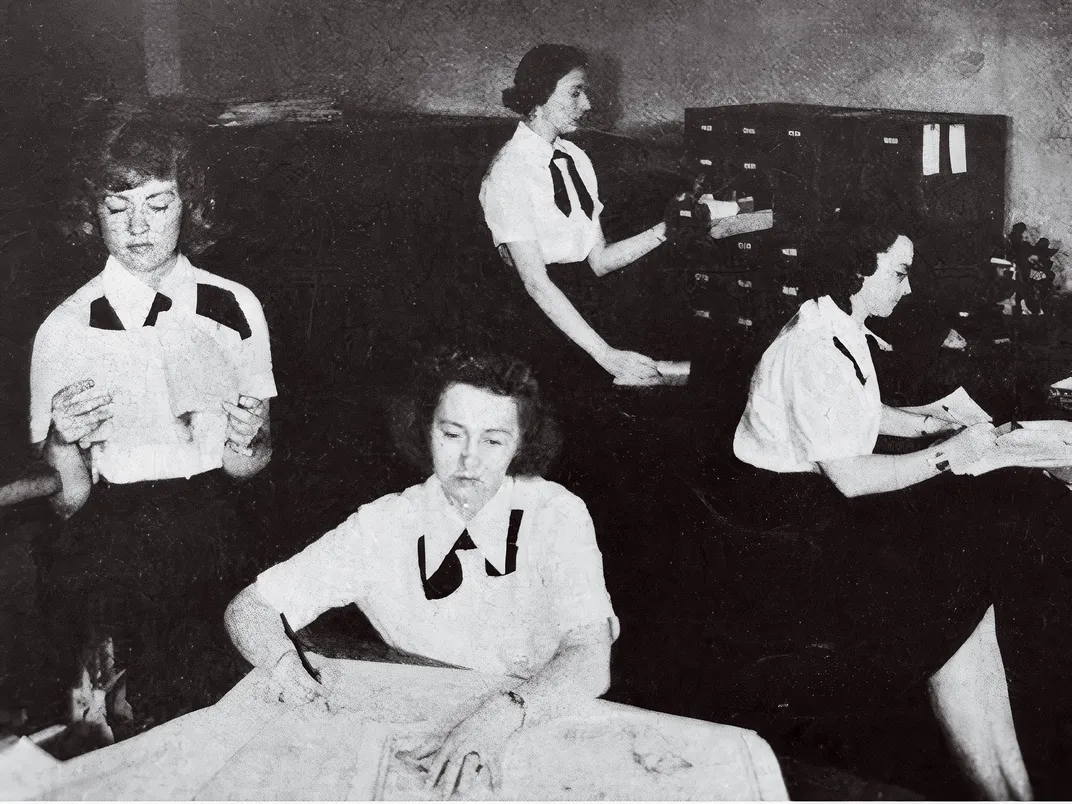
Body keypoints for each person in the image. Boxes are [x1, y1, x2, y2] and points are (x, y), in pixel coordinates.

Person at [727, 214, 1034, 800]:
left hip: (815, 507)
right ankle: (1005, 789)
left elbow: (859, 415)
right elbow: (849, 479)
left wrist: (931, 424)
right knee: (955, 594)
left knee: (967, 577)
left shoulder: (840, 322)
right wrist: (948, 453)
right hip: (789, 531)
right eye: (899, 273)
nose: (909, 287)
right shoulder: (815, 347)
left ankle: (1012, 786)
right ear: (857, 272)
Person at [225, 349, 617, 796]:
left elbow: (589, 659)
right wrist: (284, 668)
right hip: (419, 740)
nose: (470, 459)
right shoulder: (384, 523)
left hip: (537, 722)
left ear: (520, 444)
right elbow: (249, 609)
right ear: (425, 430)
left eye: (492, 440)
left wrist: (497, 717)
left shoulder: (557, 513)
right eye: (452, 434)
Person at [30, 107, 276, 739]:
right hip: (118, 536)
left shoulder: (234, 305)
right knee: (139, 723)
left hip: (217, 526)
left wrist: (247, 439)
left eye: (158, 203)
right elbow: (68, 501)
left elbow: (248, 467)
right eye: (118, 207)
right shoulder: (65, 327)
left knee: (232, 711)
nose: (138, 226)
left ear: (189, 205)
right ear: (94, 214)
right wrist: (62, 439)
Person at [478, 44, 720, 393]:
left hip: (589, 309)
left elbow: (600, 261)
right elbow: (535, 283)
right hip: (538, 323)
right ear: (540, 94)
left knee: (702, 370)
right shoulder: (508, 172)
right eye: (575, 92)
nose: (587, 105)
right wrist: (606, 355)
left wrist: (668, 229)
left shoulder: (575, 158)